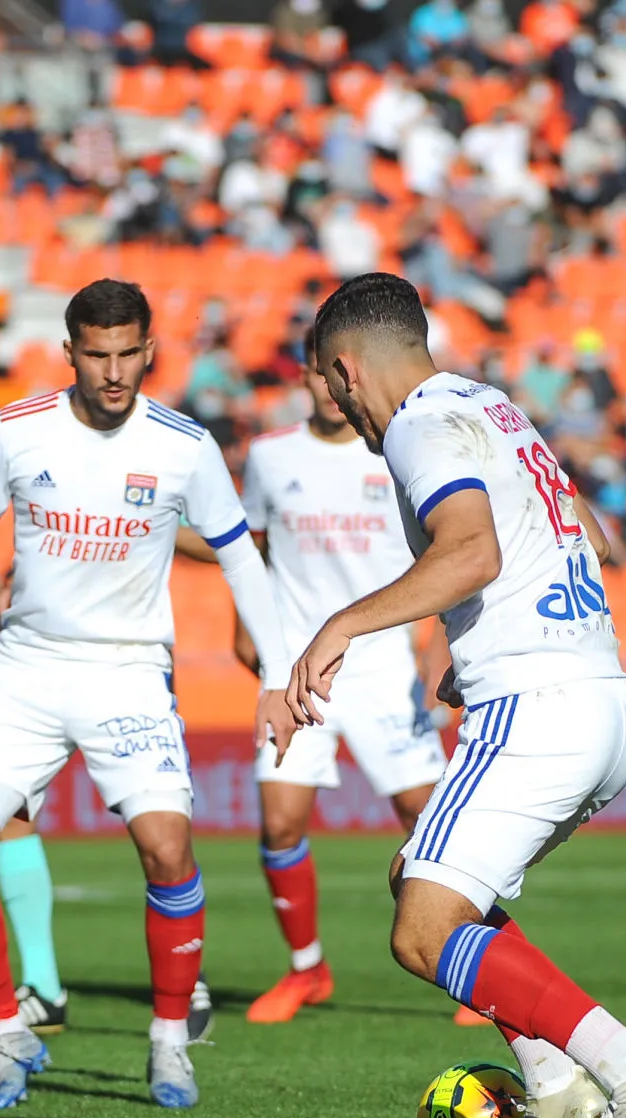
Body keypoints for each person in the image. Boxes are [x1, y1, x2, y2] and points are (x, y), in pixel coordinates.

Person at [288, 272, 626, 1118]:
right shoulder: (491, 406)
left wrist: (341, 625)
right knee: (422, 882)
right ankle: (554, 1094)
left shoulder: (419, 428)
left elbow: (473, 550)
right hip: (599, 697)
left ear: (346, 370)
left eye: (330, 385)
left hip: (537, 707)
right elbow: (581, 530)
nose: (337, 406)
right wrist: (474, 641)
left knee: (423, 929)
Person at [0, 280, 293, 1111]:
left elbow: (242, 557)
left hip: (128, 671)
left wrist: (279, 676)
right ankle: (8, 1035)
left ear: (150, 352)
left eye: (127, 355)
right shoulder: (16, 428)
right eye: (96, 355)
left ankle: (170, 1042)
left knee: (168, 849)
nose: (113, 373)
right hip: (27, 668)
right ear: (70, 352)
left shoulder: (184, 444)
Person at [232, 332, 448, 1024]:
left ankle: (471, 957)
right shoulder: (269, 457)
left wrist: (439, 644)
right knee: (279, 822)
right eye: (316, 376)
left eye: (337, 377)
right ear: (304, 377)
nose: (328, 389)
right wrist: (252, 628)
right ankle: (306, 969)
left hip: (384, 664)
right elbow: (252, 549)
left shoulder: (396, 448)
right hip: (300, 665)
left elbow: (442, 549)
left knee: (433, 818)